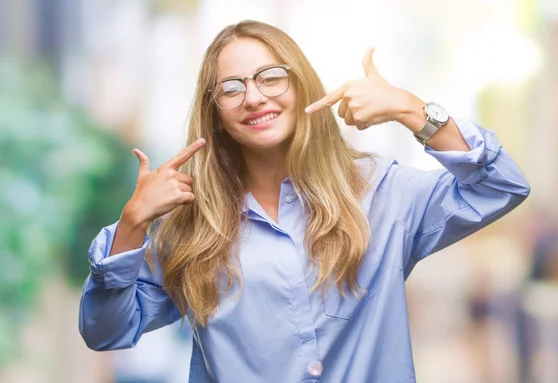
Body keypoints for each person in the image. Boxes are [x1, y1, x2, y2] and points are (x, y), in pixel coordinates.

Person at [79, 20, 530, 382]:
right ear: (214, 113)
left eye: (271, 77)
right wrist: (133, 223)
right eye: (232, 88)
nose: (254, 97)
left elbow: (500, 186)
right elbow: (107, 331)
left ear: (302, 87)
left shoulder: (381, 194)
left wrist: (409, 109)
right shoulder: (194, 227)